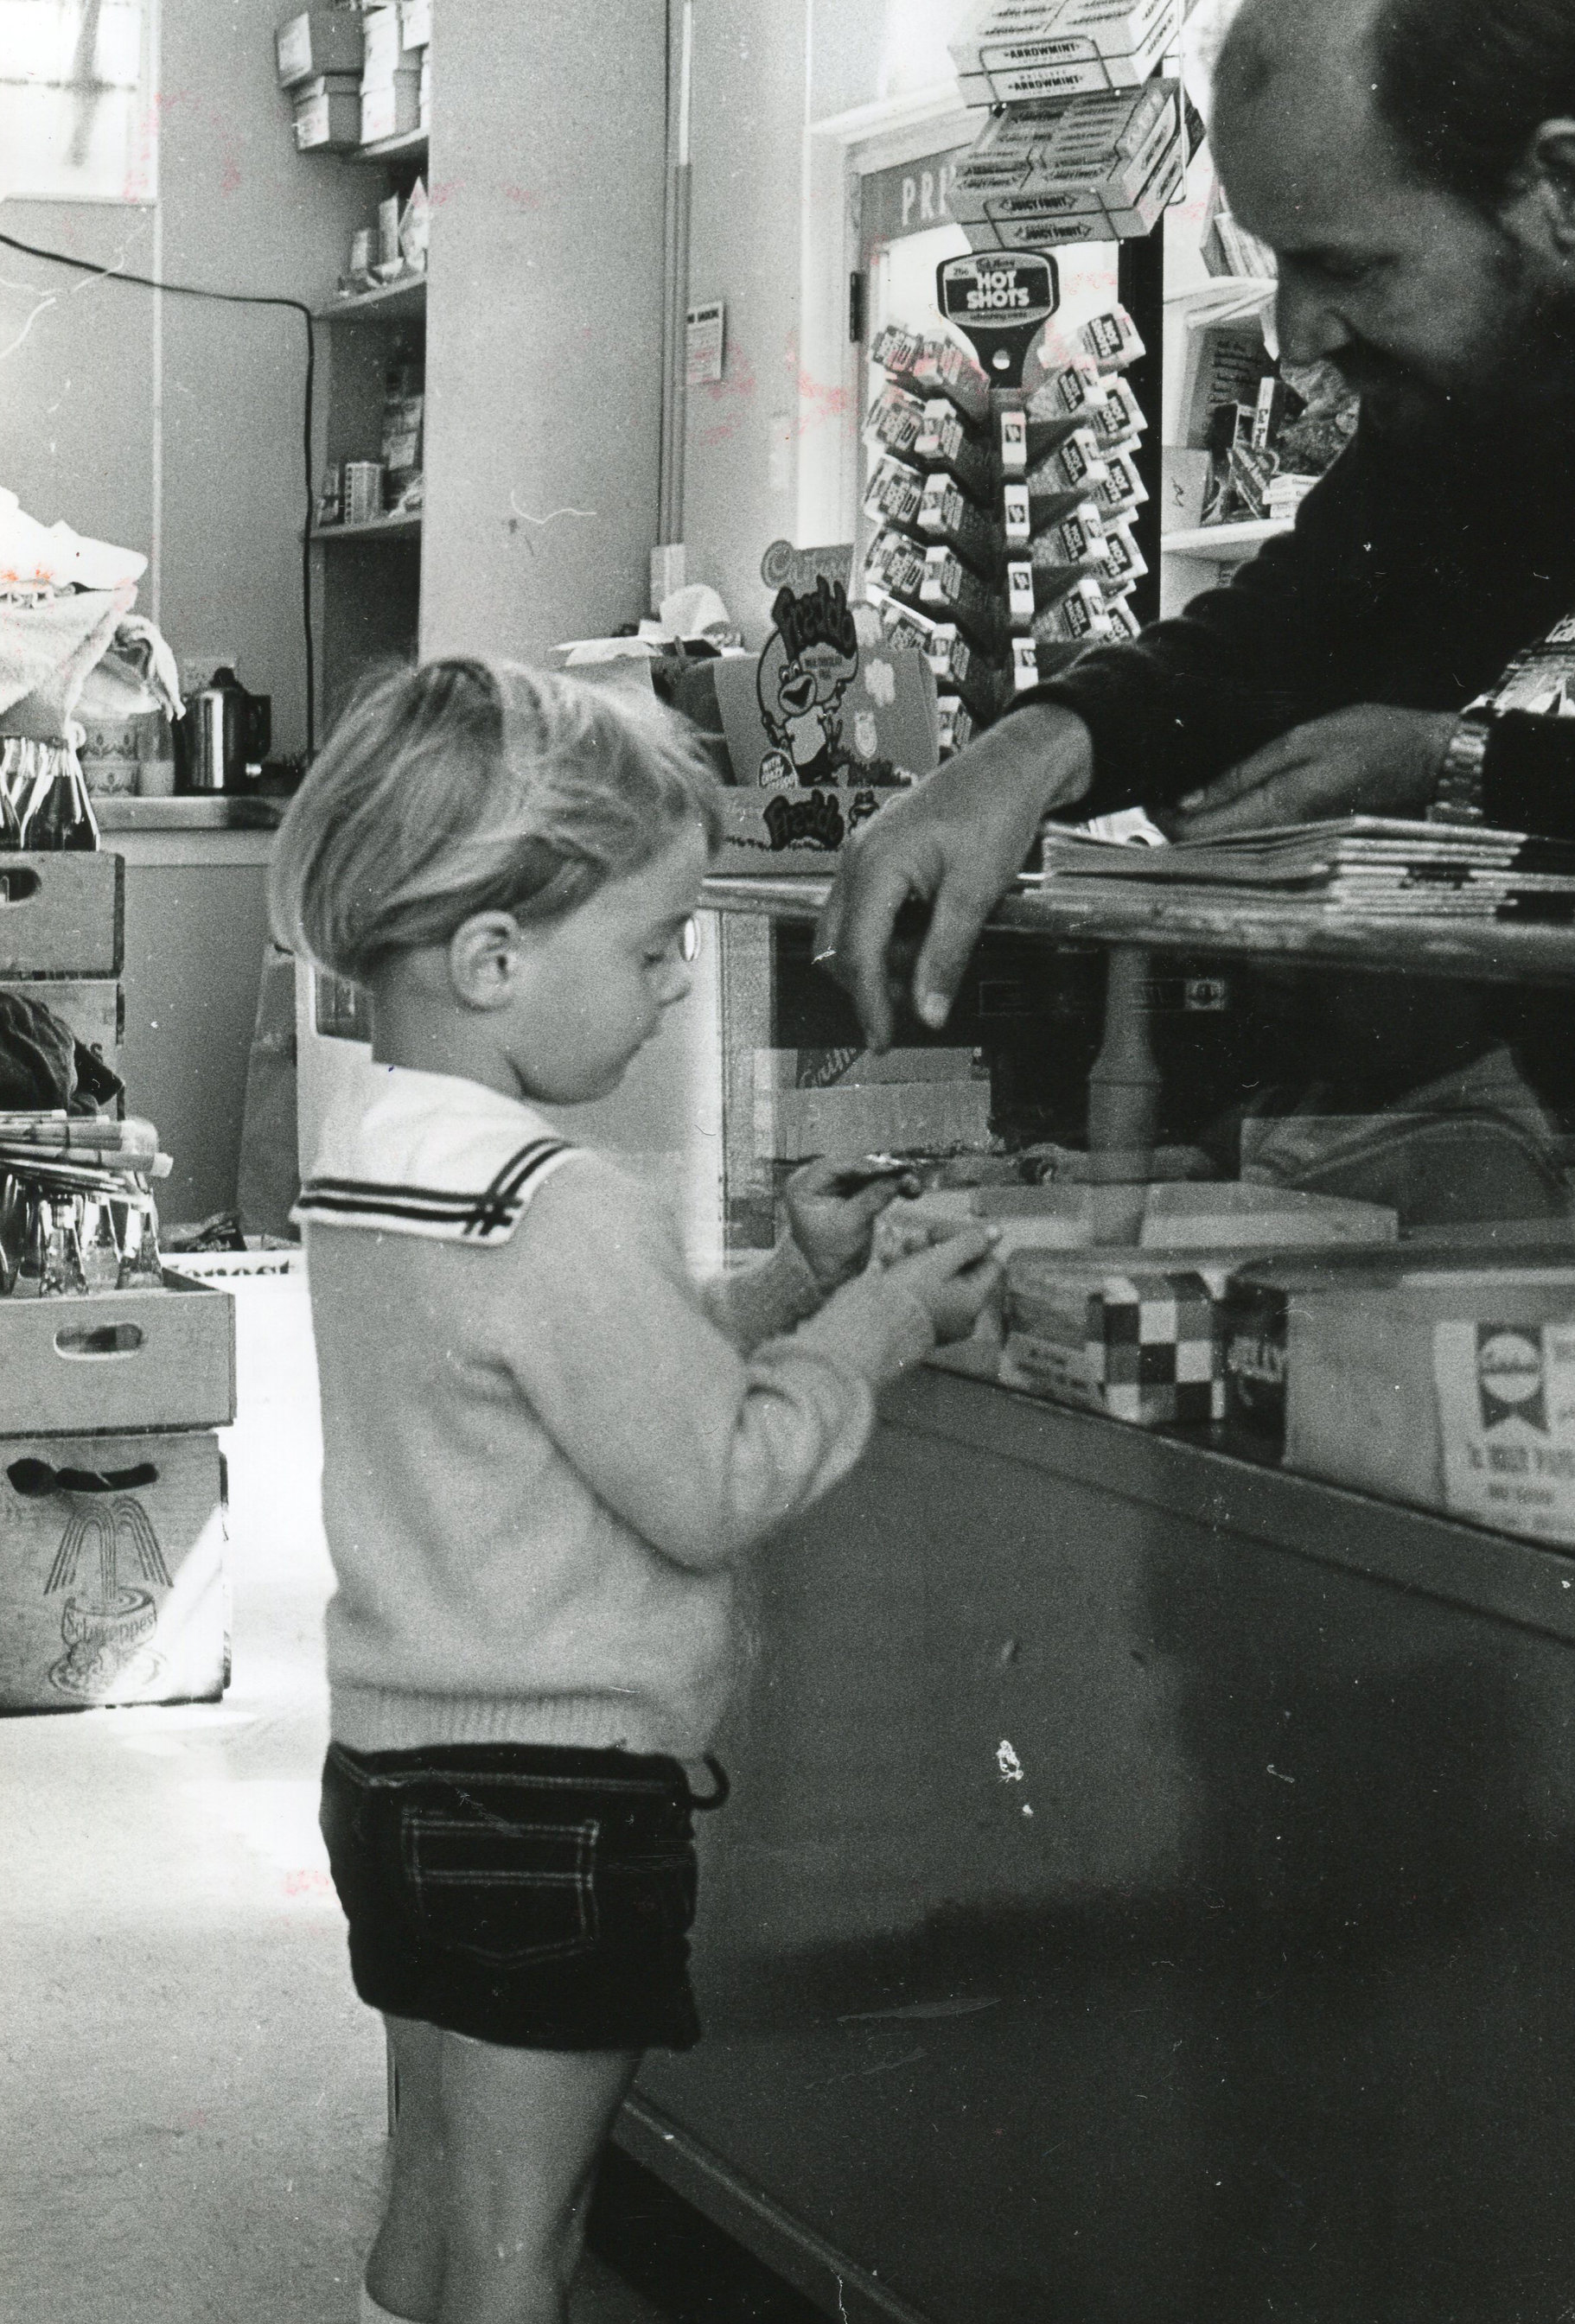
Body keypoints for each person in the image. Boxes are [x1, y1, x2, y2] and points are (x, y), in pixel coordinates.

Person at [268, 658, 1002, 2324]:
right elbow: (710, 1477)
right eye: (652, 943)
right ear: (492, 954)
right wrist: (875, 1325)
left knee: (435, 2217)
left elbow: (565, 1394)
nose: (674, 985)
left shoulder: (377, 1157)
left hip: (394, 1772)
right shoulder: (558, 1195)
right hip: (559, 1803)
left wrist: (781, 1288)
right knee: (530, 2239)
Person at [823, 0, 1575, 1049]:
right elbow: (1331, 610)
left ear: (1568, 186)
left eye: (1343, 268)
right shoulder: (1528, 325)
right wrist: (1041, 744)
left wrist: (1464, 765)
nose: (1293, 337)